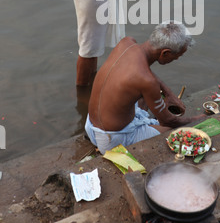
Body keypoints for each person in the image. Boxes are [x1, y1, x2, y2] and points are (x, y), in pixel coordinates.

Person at [85, 23, 206, 154]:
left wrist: (168, 93)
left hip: (91, 125)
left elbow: (145, 72)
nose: (177, 59)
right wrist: (197, 119)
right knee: (174, 132)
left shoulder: (127, 43)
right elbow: (168, 121)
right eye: (178, 56)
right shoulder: (147, 81)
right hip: (111, 141)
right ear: (165, 53)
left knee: (143, 93)